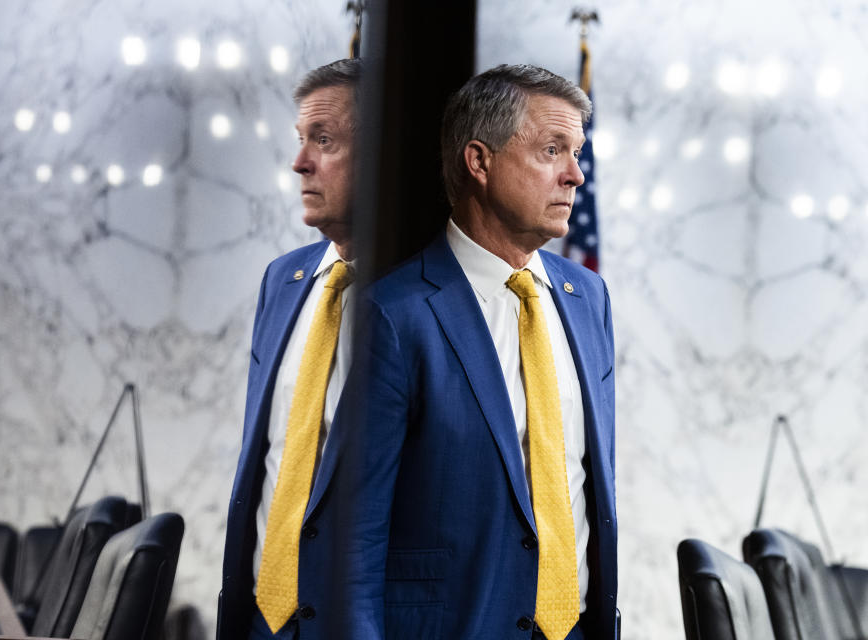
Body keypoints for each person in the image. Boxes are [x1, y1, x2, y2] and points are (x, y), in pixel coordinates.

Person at [338, 64, 618, 640]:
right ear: (480, 161)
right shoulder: (394, 314)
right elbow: (355, 538)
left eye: (578, 153)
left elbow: (586, 485)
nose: (575, 175)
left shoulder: (587, 298)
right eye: (551, 150)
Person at [218, 58, 361, 640]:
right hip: (260, 615)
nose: (299, 162)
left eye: (322, 141)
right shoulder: (284, 280)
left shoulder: (428, 288)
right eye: (301, 141)